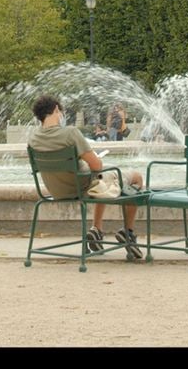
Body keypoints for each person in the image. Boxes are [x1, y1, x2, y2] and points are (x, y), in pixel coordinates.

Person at [26, 94, 145, 260]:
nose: (61, 116)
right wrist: (92, 159)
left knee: (101, 179)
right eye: (60, 112)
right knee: (135, 177)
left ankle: (96, 230)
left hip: (56, 191)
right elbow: (97, 166)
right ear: (55, 109)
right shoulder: (70, 133)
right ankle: (128, 232)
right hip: (81, 187)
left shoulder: (32, 138)